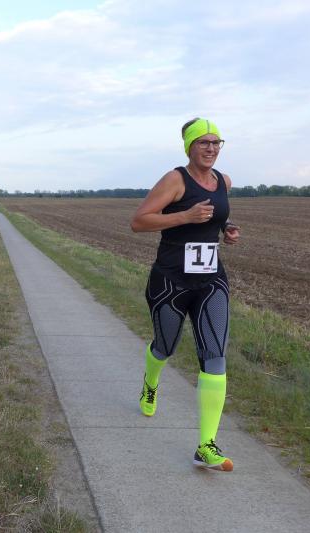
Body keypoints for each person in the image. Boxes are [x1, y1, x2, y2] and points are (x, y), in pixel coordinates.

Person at [130, 118, 241, 471]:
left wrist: (226, 229)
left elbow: (216, 217)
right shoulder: (175, 180)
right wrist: (186, 216)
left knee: (215, 356)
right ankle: (151, 382)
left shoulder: (224, 181)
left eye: (216, 142)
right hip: (171, 280)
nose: (211, 148)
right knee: (165, 346)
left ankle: (206, 445)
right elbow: (139, 221)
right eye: (203, 142)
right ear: (189, 147)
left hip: (211, 280)